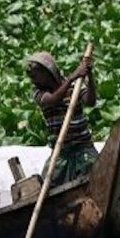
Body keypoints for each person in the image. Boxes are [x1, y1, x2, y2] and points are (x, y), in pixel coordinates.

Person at [26, 50, 97, 186]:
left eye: (35, 76)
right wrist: (72, 77)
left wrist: (89, 75)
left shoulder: (75, 86)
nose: (33, 80)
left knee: (95, 175)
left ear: (48, 72)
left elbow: (90, 101)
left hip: (83, 147)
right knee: (48, 184)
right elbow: (52, 100)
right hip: (61, 151)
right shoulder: (38, 92)